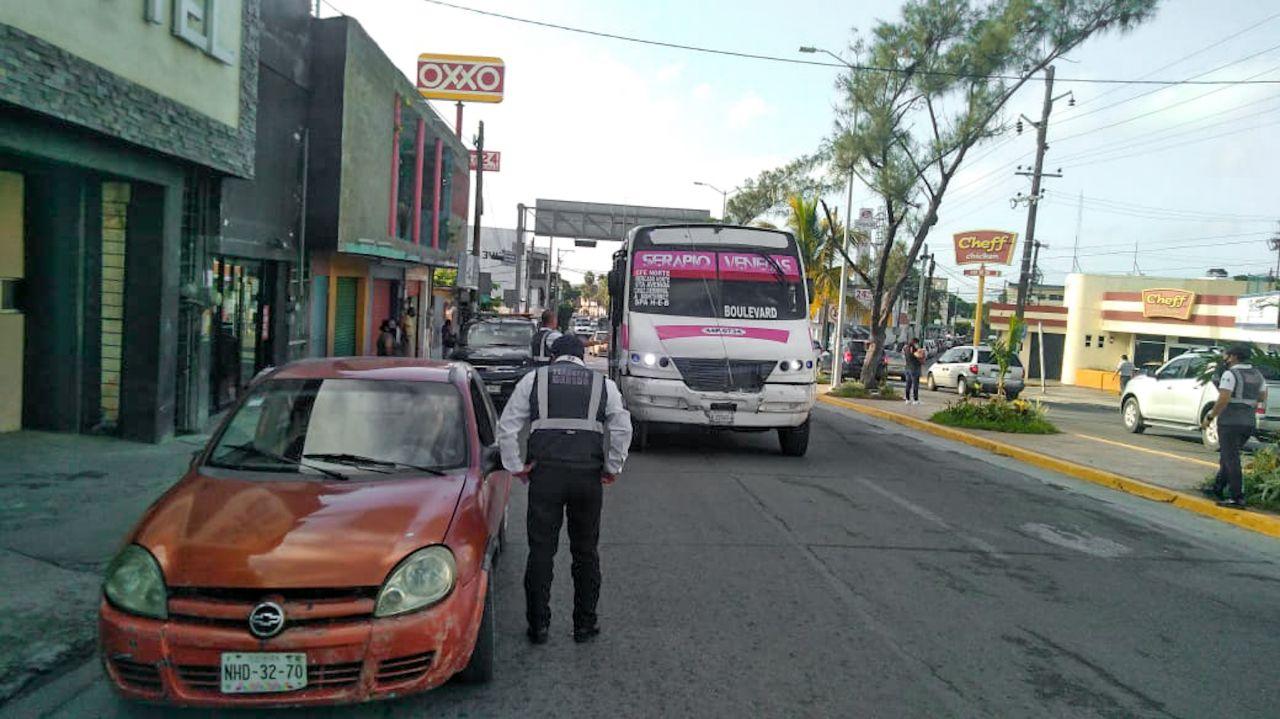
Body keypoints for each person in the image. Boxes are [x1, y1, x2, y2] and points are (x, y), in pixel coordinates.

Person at [496, 334, 632, 645]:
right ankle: (585, 624)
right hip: (587, 478)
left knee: (541, 550)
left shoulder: (534, 380)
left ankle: (538, 626)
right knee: (585, 552)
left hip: (546, 476)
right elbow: (623, 428)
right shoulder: (603, 385)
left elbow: (508, 426)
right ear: (582, 357)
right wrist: (613, 467)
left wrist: (515, 465)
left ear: (553, 356)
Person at [1202, 344, 1266, 508]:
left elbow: (1223, 399)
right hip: (1249, 421)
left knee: (1231, 459)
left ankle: (1237, 497)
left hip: (1230, 422)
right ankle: (1217, 487)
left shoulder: (1230, 374)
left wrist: (1210, 417)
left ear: (1234, 357)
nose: (1225, 358)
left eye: (1226, 355)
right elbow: (1262, 397)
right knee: (1228, 456)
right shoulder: (1257, 374)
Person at [902, 338, 924, 405]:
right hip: (914, 368)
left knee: (908, 384)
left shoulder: (906, 348)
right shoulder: (913, 349)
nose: (918, 345)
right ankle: (915, 400)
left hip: (907, 368)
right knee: (915, 384)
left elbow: (903, 356)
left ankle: (907, 399)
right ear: (915, 343)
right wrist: (921, 351)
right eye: (917, 343)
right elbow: (919, 356)